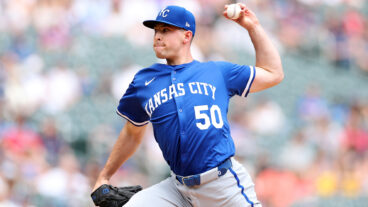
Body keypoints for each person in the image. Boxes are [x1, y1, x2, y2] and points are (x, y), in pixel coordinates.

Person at [92, 3, 283, 207]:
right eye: (156, 30)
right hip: (178, 189)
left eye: (166, 30)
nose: (157, 36)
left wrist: (253, 27)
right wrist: (104, 176)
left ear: (186, 36)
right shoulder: (144, 81)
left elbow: (273, 73)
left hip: (223, 186)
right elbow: (132, 132)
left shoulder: (216, 71)